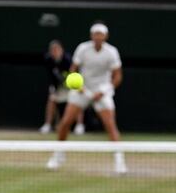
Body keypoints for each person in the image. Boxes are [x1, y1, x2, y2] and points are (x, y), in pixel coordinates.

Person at [47, 23, 127, 174]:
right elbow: (73, 70)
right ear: (91, 36)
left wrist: (104, 91)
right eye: (95, 34)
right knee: (65, 123)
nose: (98, 37)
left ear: (105, 36)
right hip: (82, 90)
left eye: (100, 34)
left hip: (102, 90)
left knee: (110, 125)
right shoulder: (83, 49)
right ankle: (59, 154)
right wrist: (80, 87)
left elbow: (117, 76)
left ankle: (119, 160)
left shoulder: (112, 52)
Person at [40, 39, 82, 135]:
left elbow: (73, 73)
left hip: (71, 85)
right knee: (51, 99)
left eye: (57, 49)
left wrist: (73, 86)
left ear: (61, 50)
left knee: (78, 101)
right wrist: (54, 88)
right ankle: (48, 124)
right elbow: (50, 76)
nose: (55, 52)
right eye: (52, 50)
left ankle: (80, 125)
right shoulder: (48, 59)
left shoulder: (68, 59)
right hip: (59, 85)